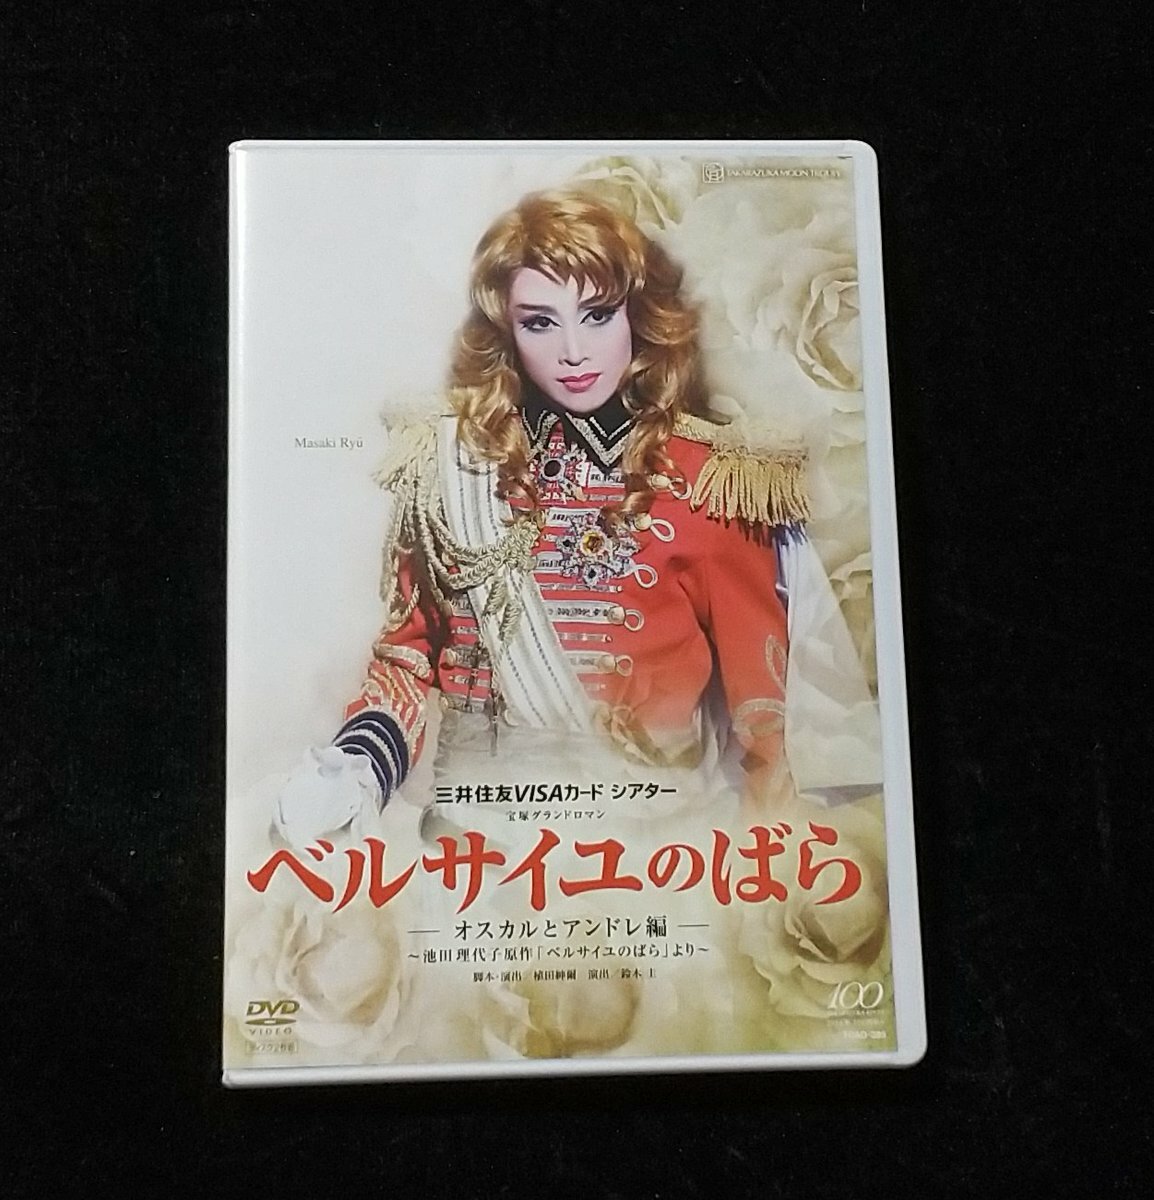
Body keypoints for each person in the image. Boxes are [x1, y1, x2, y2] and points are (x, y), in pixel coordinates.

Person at [274, 190, 824, 847]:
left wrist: (775, 856)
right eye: (539, 322)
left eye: (597, 315)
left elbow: (767, 720)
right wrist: (358, 766)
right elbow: (406, 661)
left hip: (649, 856)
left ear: (637, 316)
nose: (573, 351)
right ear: (506, 330)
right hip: (470, 849)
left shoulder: (714, 480)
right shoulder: (447, 467)